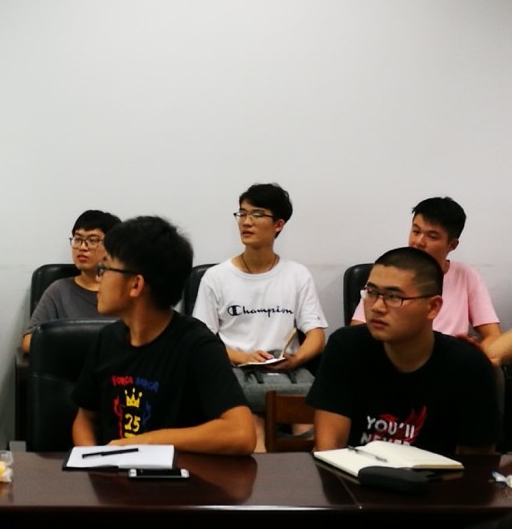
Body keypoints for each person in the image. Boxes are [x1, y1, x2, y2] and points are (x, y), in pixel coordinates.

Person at [71, 215, 256, 455]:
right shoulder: (106, 339)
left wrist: (142, 443)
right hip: (112, 475)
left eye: (104, 268)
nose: (99, 277)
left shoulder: (197, 345)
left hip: (177, 476)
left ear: (135, 285)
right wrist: (94, 459)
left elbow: (241, 434)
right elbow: (85, 419)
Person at [309, 246, 500, 457]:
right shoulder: (345, 346)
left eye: (393, 297)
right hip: (352, 475)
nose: (377, 307)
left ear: (433, 307)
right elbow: (329, 450)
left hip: (439, 478)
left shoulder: (468, 367)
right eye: (371, 292)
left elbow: (476, 466)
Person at [192, 182, 327, 452]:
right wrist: (243, 357)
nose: (246, 221)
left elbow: (316, 334)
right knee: (254, 441)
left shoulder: (297, 275)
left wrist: (296, 359)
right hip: (237, 373)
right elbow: (202, 341)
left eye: (256, 214)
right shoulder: (216, 277)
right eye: (242, 213)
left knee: (313, 439)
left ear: (278, 224)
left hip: (289, 376)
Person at [350, 197, 500, 356]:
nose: (418, 242)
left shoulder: (467, 276)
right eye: (415, 231)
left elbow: (493, 335)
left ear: (452, 245)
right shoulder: (390, 272)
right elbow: (356, 332)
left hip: (450, 360)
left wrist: (476, 355)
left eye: (432, 236)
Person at [21, 209, 121, 353]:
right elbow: (29, 342)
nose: (82, 247)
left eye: (92, 240)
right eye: (78, 239)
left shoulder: (125, 291)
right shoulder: (59, 290)